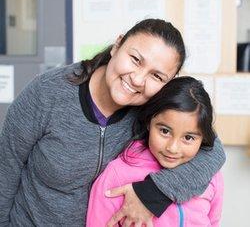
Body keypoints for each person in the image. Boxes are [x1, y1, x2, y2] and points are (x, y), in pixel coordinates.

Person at [0, 19, 225, 226]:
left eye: (156, 76)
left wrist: (152, 194)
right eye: (135, 60)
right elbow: (5, 171)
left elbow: (213, 152)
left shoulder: (152, 108)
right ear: (117, 45)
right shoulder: (47, 93)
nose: (137, 79)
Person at [87, 76, 224, 227]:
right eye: (165, 131)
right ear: (148, 122)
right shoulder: (117, 174)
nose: (172, 148)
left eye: (188, 137)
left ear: (203, 138)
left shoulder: (210, 177)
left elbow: (213, 222)